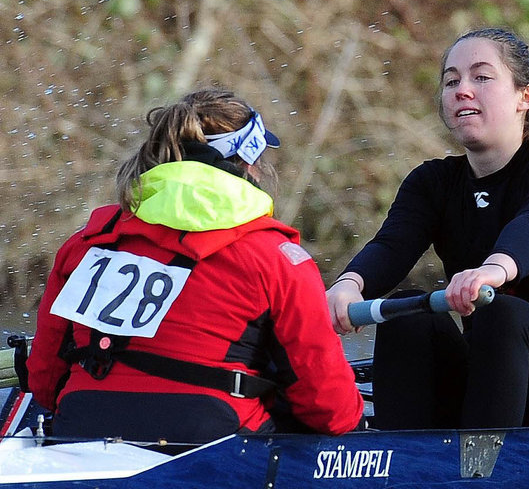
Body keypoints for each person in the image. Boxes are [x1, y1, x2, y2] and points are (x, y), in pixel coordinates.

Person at [327, 28, 529, 430]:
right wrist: (348, 285)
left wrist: (494, 270)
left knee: (501, 311)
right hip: (495, 388)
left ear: (526, 98)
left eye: (481, 77)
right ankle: (406, 467)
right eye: (451, 81)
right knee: (406, 312)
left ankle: (481, 469)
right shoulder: (432, 183)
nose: (462, 90)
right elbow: (392, 245)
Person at [29, 88, 362, 444]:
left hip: (83, 427)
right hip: (213, 442)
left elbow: (44, 383)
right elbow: (331, 411)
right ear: (249, 163)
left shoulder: (87, 242)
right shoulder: (278, 257)